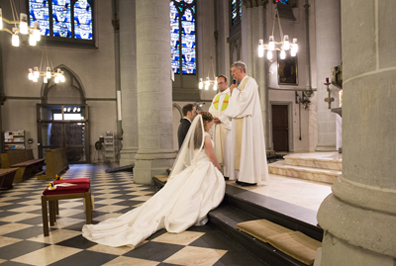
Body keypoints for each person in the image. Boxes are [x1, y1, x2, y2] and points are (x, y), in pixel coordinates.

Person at [82, 112, 225, 247]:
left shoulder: (195, 137)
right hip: (204, 166)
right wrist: (218, 167)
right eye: (210, 123)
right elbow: (211, 156)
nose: (211, 126)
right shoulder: (206, 137)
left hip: (196, 167)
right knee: (199, 190)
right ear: (205, 123)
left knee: (180, 192)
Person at [220, 61, 269, 186]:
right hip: (241, 121)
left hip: (248, 123)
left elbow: (244, 99)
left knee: (248, 148)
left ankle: (250, 177)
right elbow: (237, 102)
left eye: (234, 71)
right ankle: (242, 175)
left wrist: (233, 91)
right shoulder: (241, 85)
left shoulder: (250, 82)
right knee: (241, 149)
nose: (232, 75)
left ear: (241, 70)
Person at [209, 75, 234, 180]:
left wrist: (222, 119)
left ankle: (229, 173)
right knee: (218, 150)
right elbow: (211, 110)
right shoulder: (216, 97)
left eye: (220, 83)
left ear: (226, 83)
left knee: (227, 150)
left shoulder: (231, 94)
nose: (219, 86)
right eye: (217, 84)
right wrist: (212, 118)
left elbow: (233, 110)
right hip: (217, 127)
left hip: (227, 127)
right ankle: (222, 172)